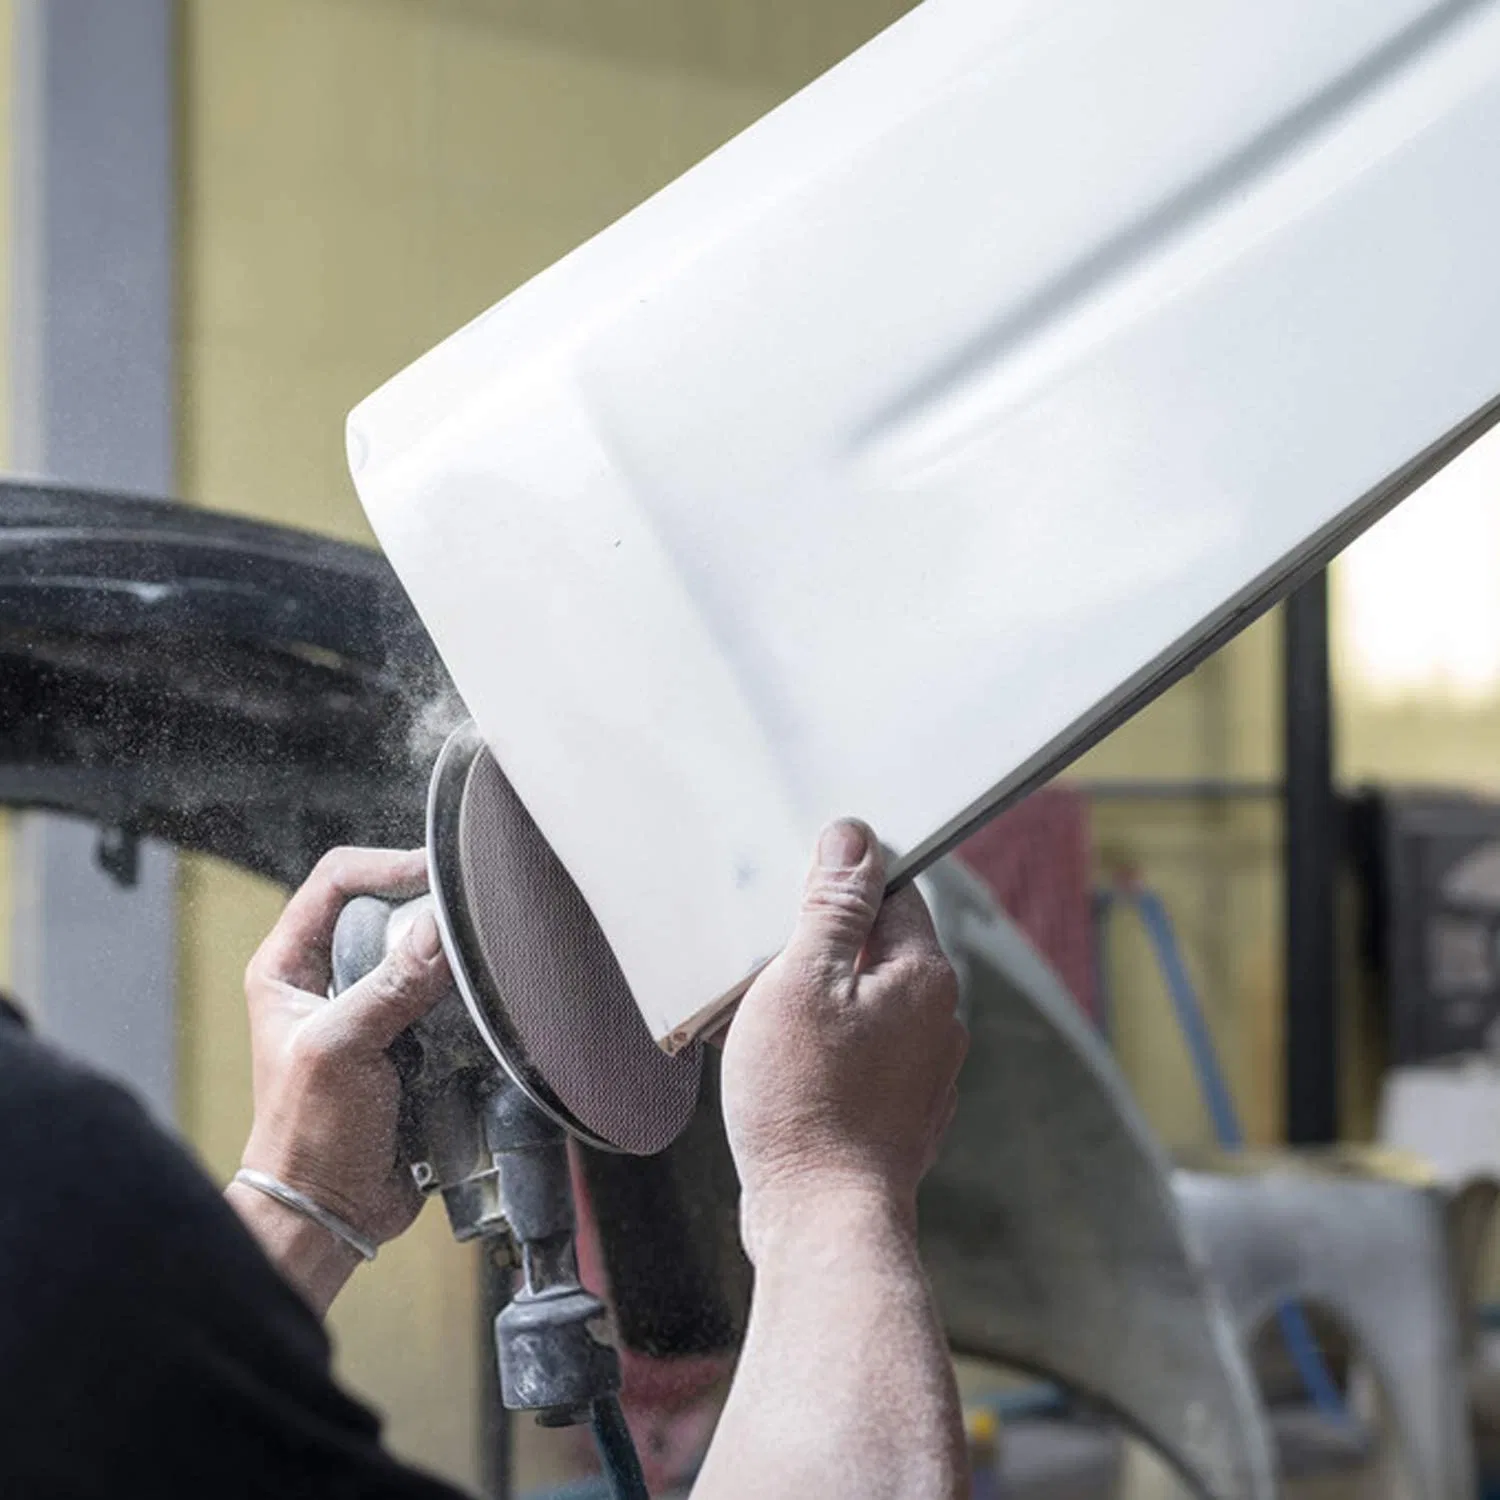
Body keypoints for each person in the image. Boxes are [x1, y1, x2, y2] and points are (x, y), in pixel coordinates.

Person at [0, 819, 968, 1498]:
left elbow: (131, 1432)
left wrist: (305, 1196)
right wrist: (830, 1182)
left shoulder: (44, 1151)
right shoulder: (46, 1145)